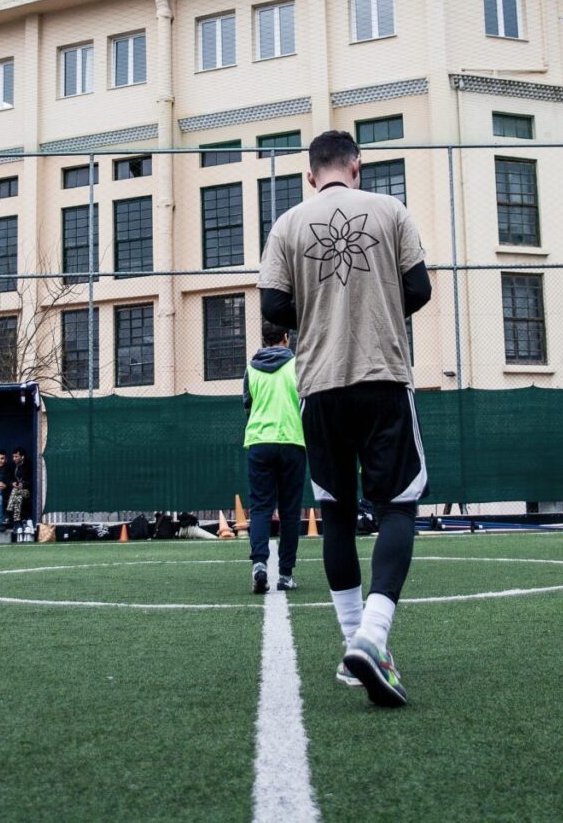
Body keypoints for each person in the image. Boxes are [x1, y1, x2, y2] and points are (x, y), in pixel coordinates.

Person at [258, 129, 432, 708]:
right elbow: (419, 288)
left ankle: (352, 644)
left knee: (334, 512)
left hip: (321, 386)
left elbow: (272, 306)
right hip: (383, 377)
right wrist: (377, 302)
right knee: (397, 506)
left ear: (311, 175)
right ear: (357, 166)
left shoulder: (287, 225)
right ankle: (372, 638)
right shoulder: (391, 210)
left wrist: (319, 312)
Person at [242, 321, 307, 594]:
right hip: (292, 440)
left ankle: (259, 564)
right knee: (290, 511)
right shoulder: (297, 365)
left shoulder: (251, 368)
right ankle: (286, 574)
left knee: (260, 507)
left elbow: (247, 404)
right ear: (286, 338)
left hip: (259, 441)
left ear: (264, 339)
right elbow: (306, 400)